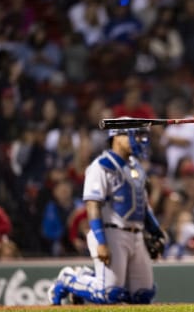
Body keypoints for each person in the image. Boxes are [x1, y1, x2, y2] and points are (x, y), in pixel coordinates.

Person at [47, 121, 166, 305]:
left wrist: (156, 231)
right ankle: (69, 279)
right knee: (109, 294)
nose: (138, 140)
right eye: (133, 135)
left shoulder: (136, 167)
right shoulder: (102, 165)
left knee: (142, 296)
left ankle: (88, 278)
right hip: (111, 232)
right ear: (117, 137)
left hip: (135, 234)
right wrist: (101, 241)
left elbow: (143, 206)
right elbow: (92, 205)